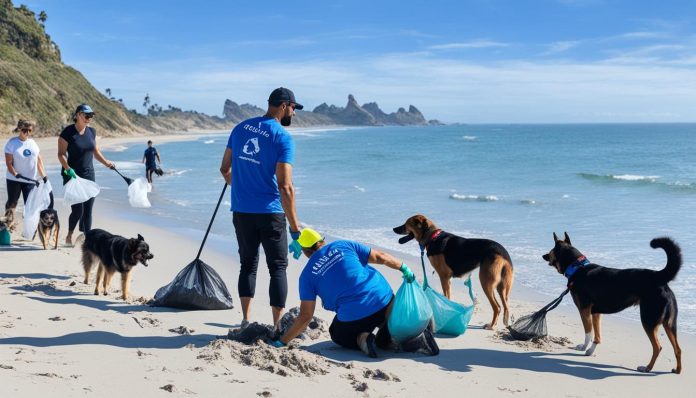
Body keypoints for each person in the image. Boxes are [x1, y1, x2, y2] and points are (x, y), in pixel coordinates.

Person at [219, 87, 303, 327]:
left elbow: (224, 169)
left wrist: (242, 186)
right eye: (294, 109)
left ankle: (245, 320)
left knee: (247, 264)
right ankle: (277, 325)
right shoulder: (282, 137)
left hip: (242, 211)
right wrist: (295, 229)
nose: (294, 114)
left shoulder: (239, 128)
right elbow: (285, 187)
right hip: (270, 213)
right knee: (277, 267)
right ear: (284, 105)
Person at [269, 228, 420, 357]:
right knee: (383, 312)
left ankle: (362, 338)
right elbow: (381, 257)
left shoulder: (306, 276)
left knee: (337, 333)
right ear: (322, 241)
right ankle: (391, 324)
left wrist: (282, 341)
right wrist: (404, 268)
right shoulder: (343, 245)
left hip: (355, 316)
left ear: (305, 251)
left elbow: (305, 316)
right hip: (382, 299)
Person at [57, 104, 114, 245]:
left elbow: (95, 151)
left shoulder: (91, 132)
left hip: (89, 173)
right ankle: (69, 234)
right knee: (78, 210)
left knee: (88, 209)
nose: (89, 118)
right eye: (86, 115)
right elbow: (61, 154)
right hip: (72, 175)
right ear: (77, 115)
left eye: (91, 116)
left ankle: (87, 238)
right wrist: (68, 168)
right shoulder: (67, 133)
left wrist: (106, 162)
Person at [4, 119, 49, 216]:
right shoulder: (12, 143)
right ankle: (7, 225)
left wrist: (44, 176)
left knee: (30, 206)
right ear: (19, 129)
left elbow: (39, 161)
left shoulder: (33, 143)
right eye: (25, 130)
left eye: (30, 130)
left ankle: (28, 227)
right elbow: (9, 163)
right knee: (12, 203)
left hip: (30, 180)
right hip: (14, 179)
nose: (27, 133)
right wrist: (15, 174)